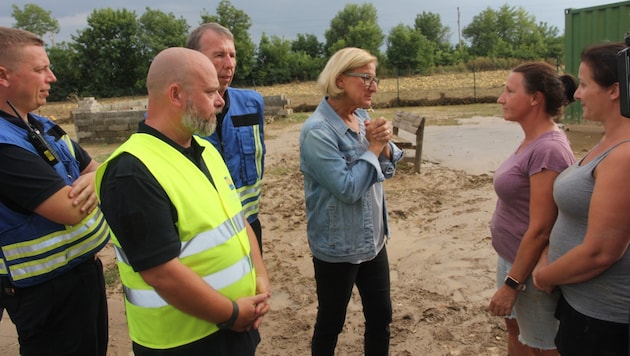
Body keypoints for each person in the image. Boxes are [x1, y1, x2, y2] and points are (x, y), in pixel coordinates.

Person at [95, 47, 271, 356]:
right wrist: (230, 313)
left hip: (234, 329)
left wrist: (261, 280)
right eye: (210, 91)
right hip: (183, 342)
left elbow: (237, 219)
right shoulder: (131, 172)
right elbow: (161, 273)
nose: (221, 101)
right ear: (176, 95)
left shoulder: (205, 149)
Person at [0, 27, 110, 355]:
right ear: (3, 75)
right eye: (40, 69)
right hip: (44, 293)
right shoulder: (4, 144)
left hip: (80, 274)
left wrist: (94, 180)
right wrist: (96, 179)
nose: (53, 77)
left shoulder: (42, 126)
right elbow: (69, 209)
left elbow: (99, 169)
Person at [299, 47, 403, 356]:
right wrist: (375, 147)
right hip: (338, 247)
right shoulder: (317, 131)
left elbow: (389, 166)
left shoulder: (361, 115)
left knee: (381, 317)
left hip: (373, 241)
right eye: (366, 78)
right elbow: (347, 188)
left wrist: (383, 145)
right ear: (341, 80)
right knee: (331, 322)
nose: (374, 86)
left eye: (376, 78)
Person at [533, 42, 630, 355]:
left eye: (585, 84)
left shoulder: (624, 156)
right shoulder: (609, 140)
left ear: (615, 89)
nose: (576, 93)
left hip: (604, 319)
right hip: (583, 305)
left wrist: (545, 276)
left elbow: (601, 251)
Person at [488, 62, 577, 355]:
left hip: (527, 273)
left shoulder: (548, 149)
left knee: (540, 345)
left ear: (535, 98)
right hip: (511, 259)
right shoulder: (532, 140)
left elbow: (541, 229)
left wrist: (512, 284)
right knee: (516, 332)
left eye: (510, 91)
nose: (501, 99)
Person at [185, 23, 266, 254]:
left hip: (249, 224)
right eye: (219, 55)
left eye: (232, 55)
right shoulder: (176, 113)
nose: (229, 64)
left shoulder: (252, 104)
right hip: (202, 236)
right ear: (194, 59)